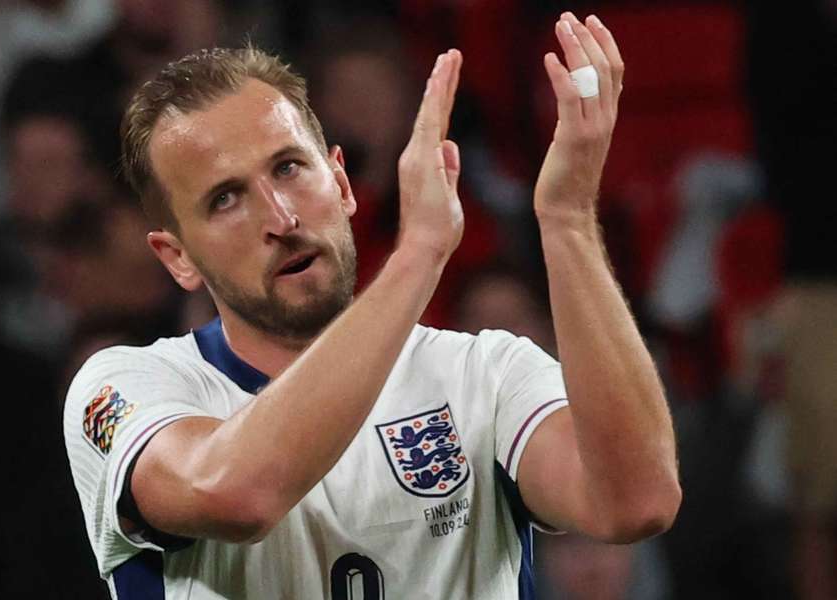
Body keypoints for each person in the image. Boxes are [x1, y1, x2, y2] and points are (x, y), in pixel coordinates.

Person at [64, 12, 681, 598]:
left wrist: (569, 219)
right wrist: (416, 257)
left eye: (289, 167)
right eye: (226, 199)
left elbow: (636, 501)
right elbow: (236, 494)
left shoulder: (483, 374)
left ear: (340, 181)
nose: (281, 217)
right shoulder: (126, 387)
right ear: (178, 258)